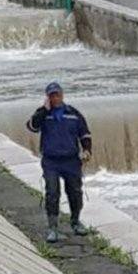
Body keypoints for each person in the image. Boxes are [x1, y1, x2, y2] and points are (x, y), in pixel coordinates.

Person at [26, 82, 92, 243]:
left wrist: (87, 150)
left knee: (75, 192)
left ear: (62, 95)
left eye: (57, 95)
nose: (55, 98)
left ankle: (75, 222)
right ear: (47, 97)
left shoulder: (73, 114)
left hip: (71, 161)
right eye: (51, 95)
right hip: (51, 161)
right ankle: (53, 227)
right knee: (52, 192)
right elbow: (32, 126)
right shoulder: (43, 114)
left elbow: (85, 134)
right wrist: (44, 109)